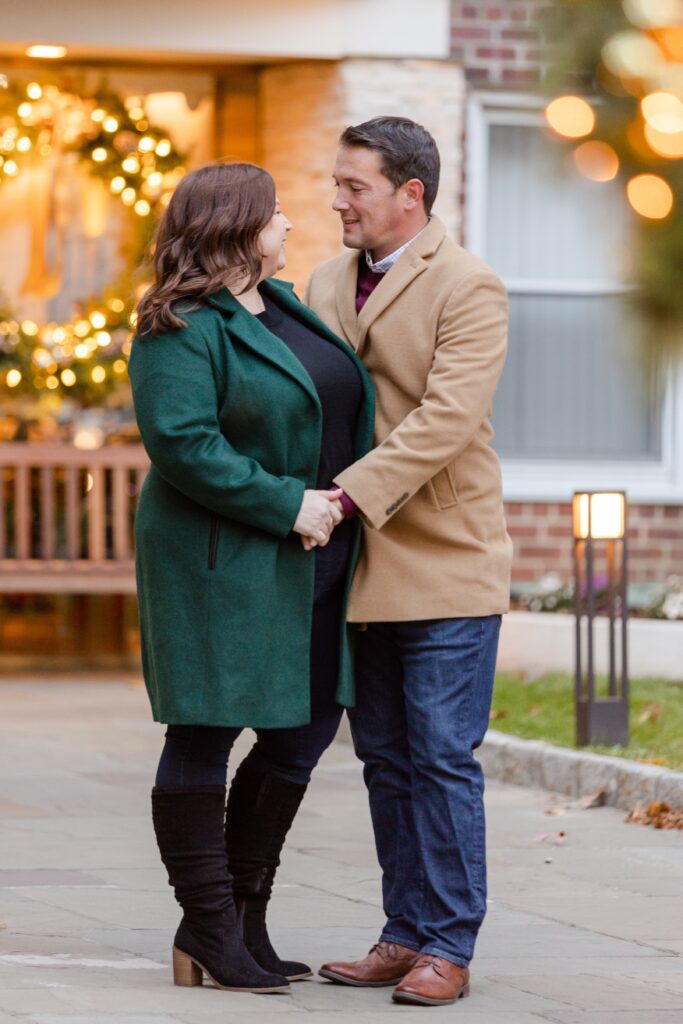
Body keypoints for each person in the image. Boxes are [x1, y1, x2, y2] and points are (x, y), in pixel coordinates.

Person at [128, 161, 374, 995]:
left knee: (295, 742)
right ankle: (205, 925)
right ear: (235, 225)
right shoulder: (178, 324)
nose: (291, 227)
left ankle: (244, 919)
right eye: (275, 216)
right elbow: (184, 443)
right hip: (223, 564)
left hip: (316, 559)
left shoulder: (284, 305)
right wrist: (286, 504)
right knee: (204, 732)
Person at [306, 116, 513, 1007]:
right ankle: (401, 933)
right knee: (385, 756)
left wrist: (343, 495)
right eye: (338, 182)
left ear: (409, 195)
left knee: (439, 755)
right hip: (356, 564)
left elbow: (444, 420)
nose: (337, 199)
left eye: (353, 185)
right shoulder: (320, 279)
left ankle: (448, 946)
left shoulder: (469, 285)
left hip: (444, 559)